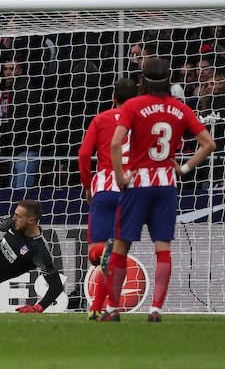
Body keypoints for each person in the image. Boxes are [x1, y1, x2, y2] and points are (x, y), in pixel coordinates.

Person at [105, 58, 216, 322]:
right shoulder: (180, 109)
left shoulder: (133, 105)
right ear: (168, 79)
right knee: (162, 246)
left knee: (121, 246)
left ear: (142, 79)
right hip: (166, 184)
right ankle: (156, 309)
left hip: (138, 183)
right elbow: (209, 144)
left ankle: (113, 308)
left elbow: (116, 143)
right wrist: (185, 168)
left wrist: (120, 176)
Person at [77, 78, 138, 320]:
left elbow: (83, 153)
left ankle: (96, 308)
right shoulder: (141, 122)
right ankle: (108, 307)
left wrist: (87, 186)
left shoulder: (101, 119)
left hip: (103, 189)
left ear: (114, 98)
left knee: (97, 255)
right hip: (131, 193)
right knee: (117, 256)